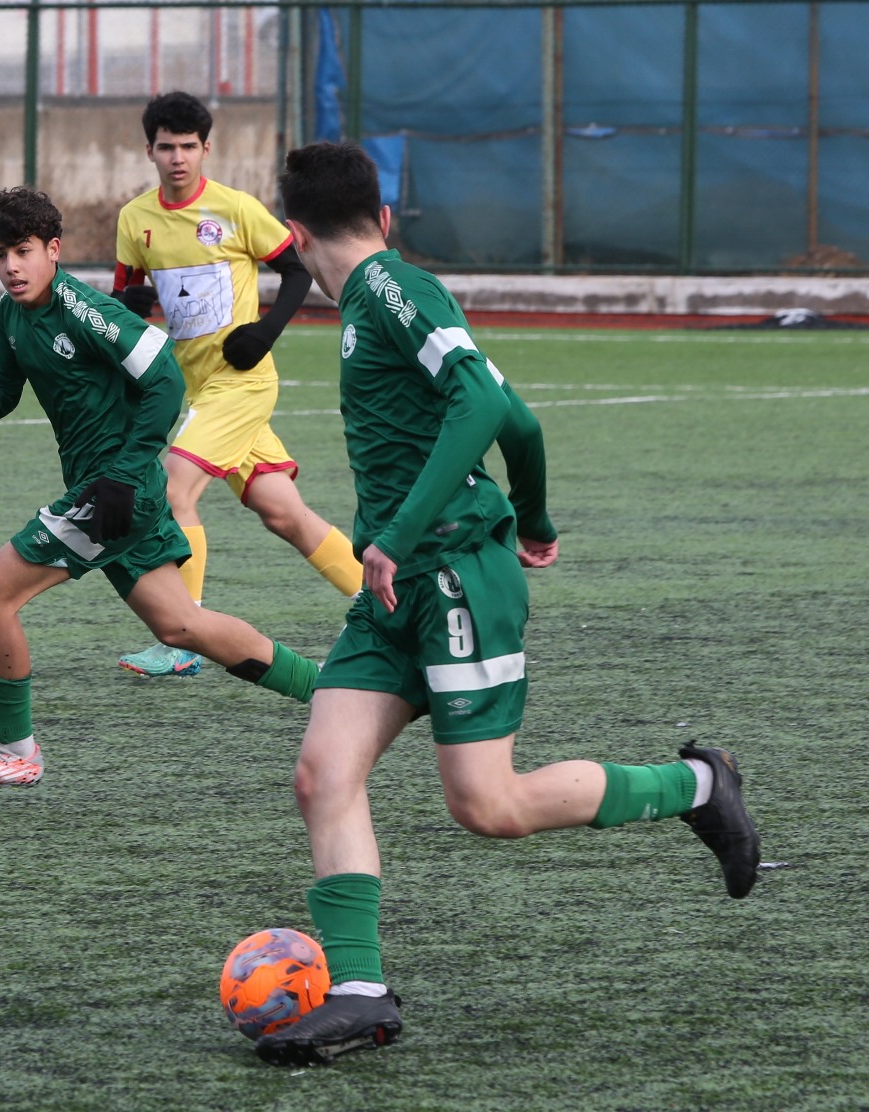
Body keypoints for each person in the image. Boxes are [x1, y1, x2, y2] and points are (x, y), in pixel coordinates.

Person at [251, 142, 761, 1066]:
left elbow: (482, 405)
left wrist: (400, 536)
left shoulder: (393, 290)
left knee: (488, 806)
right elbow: (518, 419)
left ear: (292, 235)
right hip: (397, 588)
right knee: (323, 773)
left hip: (447, 578)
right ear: (385, 213)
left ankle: (698, 785)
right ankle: (361, 992)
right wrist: (534, 513)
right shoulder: (378, 299)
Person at [0, 186, 321, 788]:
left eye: (23, 251)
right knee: (181, 626)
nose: (10, 266)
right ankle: (335, 691)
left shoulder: (82, 308)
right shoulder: (11, 314)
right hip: (116, 491)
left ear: (53, 250)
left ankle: (14, 751)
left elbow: (164, 376)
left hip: (111, 492)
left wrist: (125, 473)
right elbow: (1, 389)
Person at [109, 91, 364, 680]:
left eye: (189, 147)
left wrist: (264, 333)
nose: (178, 158)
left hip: (242, 386)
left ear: (206, 148)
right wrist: (133, 304)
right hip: (196, 390)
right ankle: (388, 604)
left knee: (176, 490)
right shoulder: (135, 219)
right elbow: (124, 304)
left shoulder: (236, 208)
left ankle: (185, 636)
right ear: (149, 150)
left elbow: (297, 269)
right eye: (167, 147)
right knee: (286, 514)